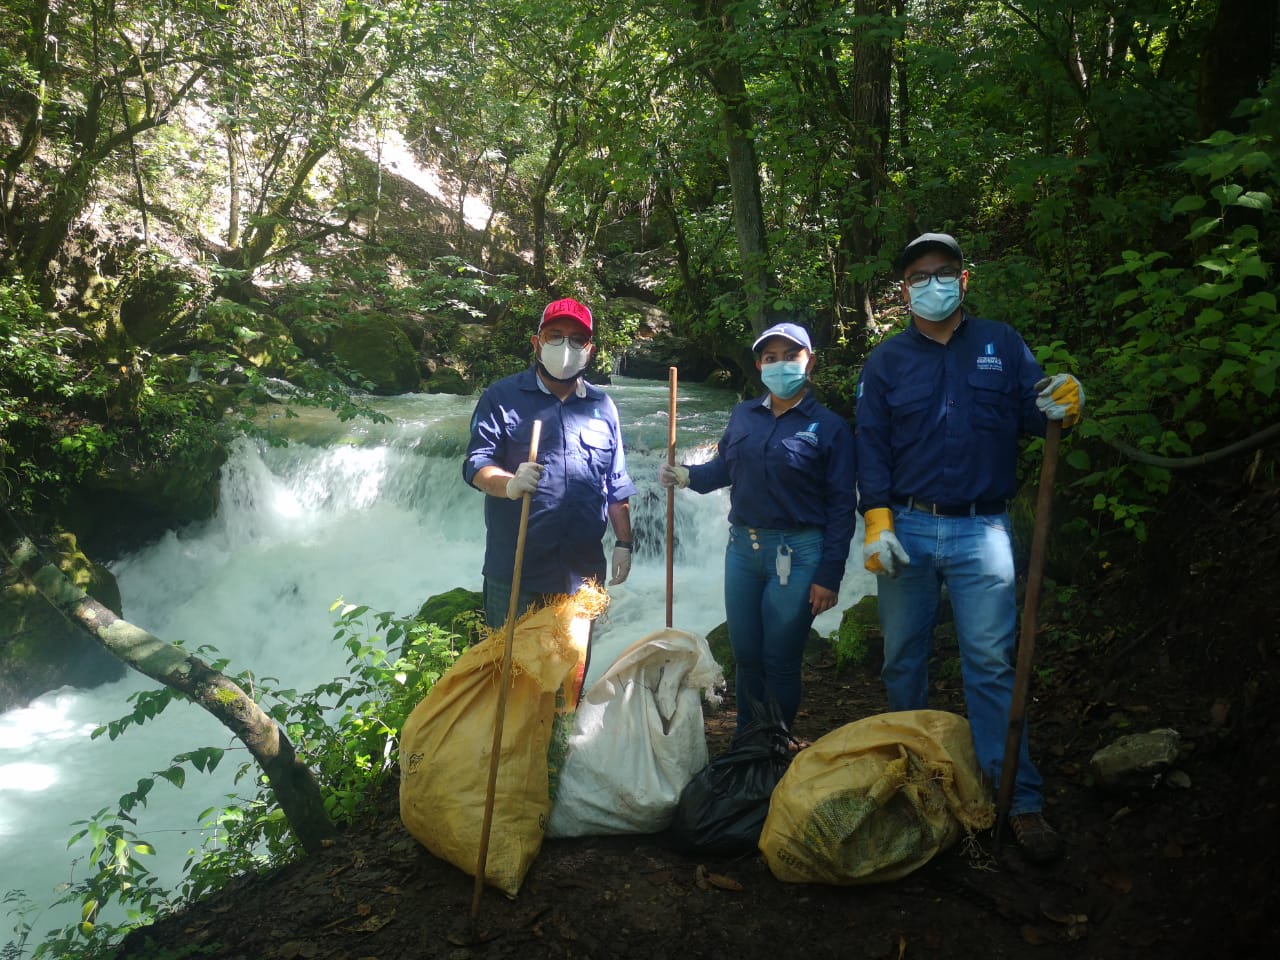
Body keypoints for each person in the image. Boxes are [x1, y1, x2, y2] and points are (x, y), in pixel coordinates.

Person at [855, 232, 1085, 863]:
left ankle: (1018, 796)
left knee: (989, 661)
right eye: (919, 274)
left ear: (963, 279)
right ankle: (914, 775)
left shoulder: (1001, 345)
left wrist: (1066, 398)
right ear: (904, 289)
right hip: (906, 525)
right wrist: (876, 519)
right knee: (903, 658)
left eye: (944, 271)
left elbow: (1043, 412)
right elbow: (871, 445)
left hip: (983, 529)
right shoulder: (885, 362)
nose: (932, 281)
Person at [659, 319, 856, 737]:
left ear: (810, 362)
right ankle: (747, 741)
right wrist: (685, 476)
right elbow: (724, 469)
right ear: (759, 365)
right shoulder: (744, 415)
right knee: (747, 656)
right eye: (771, 358)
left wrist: (830, 574)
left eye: (791, 356)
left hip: (800, 553)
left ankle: (775, 740)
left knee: (780, 657)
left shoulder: (831, 428)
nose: (780, 365)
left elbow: (842, 506)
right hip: (743, 552)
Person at [464, 297, 636, 632]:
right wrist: (509, 484)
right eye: (555, 335)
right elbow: (476, 464)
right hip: (516, 571)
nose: (565, 346)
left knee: (570, 678)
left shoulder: (603, 407)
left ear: (590, 349)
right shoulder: (501, 397)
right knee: (510, 676)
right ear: (537, 343)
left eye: (576, 339)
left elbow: (615, 483)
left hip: (583, 573)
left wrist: (624, 543)